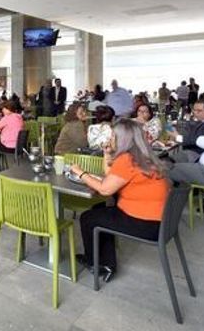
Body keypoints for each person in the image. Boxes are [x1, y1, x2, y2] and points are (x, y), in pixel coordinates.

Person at [71, 118, 169, 282]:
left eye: (113, 136)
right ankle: (107, 264)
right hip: (159, 220)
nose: (110, 139)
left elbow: (105, 189)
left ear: (122, 139)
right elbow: (111, 176)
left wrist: (80, 173)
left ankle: (94, 262)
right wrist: (107, 153)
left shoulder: (127, 160)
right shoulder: (142, 156)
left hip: (146, 224)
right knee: (100, 211)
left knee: (88, 218)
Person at [166, 99, 204, 163]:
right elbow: (193, 124)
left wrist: (177, 137)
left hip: (198, 154)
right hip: (193, 151)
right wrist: (177, 122)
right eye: (194, 110)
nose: (195, 113)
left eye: (199, 111)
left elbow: (199, 140)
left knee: (166, 162)